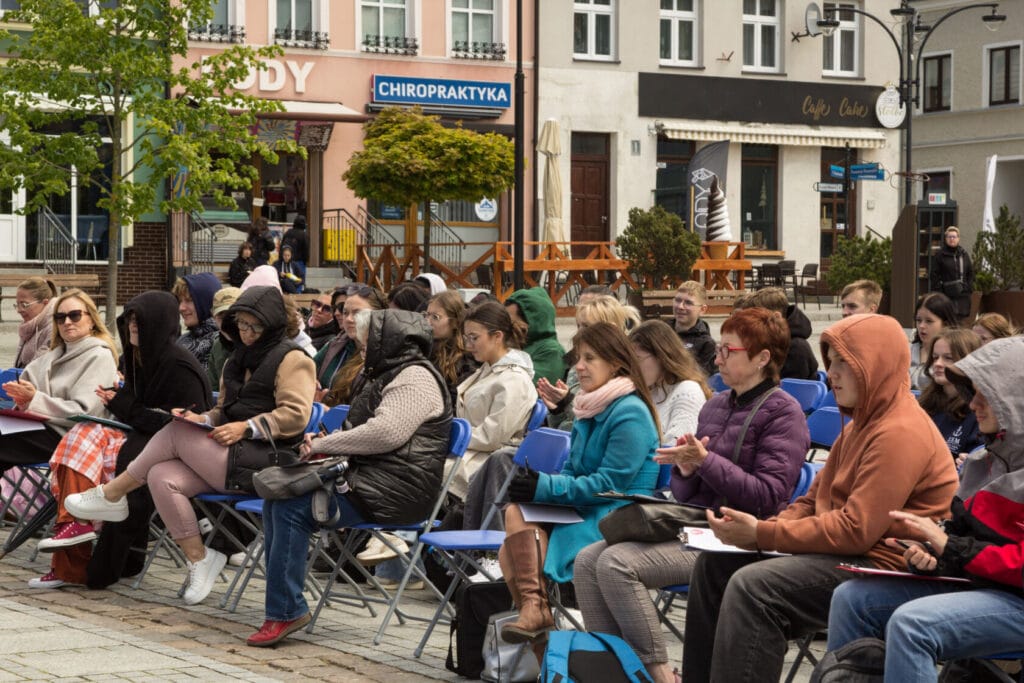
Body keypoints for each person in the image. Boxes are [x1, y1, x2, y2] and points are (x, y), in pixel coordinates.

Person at [679, 313, 960, 683]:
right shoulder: (862, 422)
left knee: (755, 588)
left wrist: (763, 535)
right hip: (846, 553)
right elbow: (813, 499)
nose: (833, 373)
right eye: (831, 361)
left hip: (886, 564)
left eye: (846, 362)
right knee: (714, 567)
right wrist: (767, 527)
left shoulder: (899, 430)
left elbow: (856, 531)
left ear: (875, 366)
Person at [575, 308, 809, 683]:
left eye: (728, 351)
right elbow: (687, 493)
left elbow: (767, 497)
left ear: (763, 358)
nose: (717, 358)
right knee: (587, 560)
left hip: (741, 536)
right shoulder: (716, 405)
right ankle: (616, 672)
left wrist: (706, 462)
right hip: (698, 524)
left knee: (617, 564)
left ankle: (659, 674)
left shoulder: (784, 413)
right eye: (718, 349)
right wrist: (687, 470)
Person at [65, 286, 316, 606]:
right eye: (241, 325)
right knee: (160, 474)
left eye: (255, 326)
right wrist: (203, 419)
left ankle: (112, 493)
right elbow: (224, 410)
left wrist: (246, 427)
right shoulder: (236, 361)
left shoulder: (294, 359)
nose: (247, 333)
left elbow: (296, 416)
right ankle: (199, 558)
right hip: (234, 457)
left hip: (271, 461)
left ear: (273, 326)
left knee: (175, 433)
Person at [245, 308, 453, 647]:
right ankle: (284, 607)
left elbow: (386, 433)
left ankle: (285, 612)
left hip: (399, 491)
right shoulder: (385, 373)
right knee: (277, 501)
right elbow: (361, 429)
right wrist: (325, 445)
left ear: (388, 342)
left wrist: (327, 443)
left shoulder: (415, 378)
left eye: (366, 342)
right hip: (373, 479)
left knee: (290, 508)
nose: (361, 348)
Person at [825, 337, 1024, 683]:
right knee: (850, 598)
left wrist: (951, 548)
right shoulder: (983, 463)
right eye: (972, 391)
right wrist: (930, 552)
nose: (972, 404)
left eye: (984, 394)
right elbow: (963, 541)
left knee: (912, 625)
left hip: (1015, 599)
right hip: (981, 586)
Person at [30, 291, 213, 590]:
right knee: (83, 438)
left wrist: (123, 405)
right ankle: (77, 527)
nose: (132, 327)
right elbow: (139, 409)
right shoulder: (138, 358)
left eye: (139, 321)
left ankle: (80, 528)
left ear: (158, 323)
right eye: (129, 320)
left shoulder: (179, 366)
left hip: (182, 453)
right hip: (142, 440)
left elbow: (180, 425)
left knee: (91, 445)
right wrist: (121, 401)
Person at [499, 321, 661, 647]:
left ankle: (541, 634)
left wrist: (544, 487)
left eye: (590, 358)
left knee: (511, 551)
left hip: (618, 511)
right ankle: (536, 611)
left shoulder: (630, 412)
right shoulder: (591, 405)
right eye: (578, 358)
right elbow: (573, 470)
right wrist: (541, 486)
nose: (579, 367)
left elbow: (609, 484)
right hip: (591, 504)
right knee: (516, 514)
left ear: (616, 363)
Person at [0, 289, 119, 482]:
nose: (67, 322)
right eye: (60, 317)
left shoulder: (99, 356)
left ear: (91, 319)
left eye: (75, 315)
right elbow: (30, 396)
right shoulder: (52, 355)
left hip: (70, 436)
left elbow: (83, 411)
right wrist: (24, 401)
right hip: (40, 428)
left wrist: (34, 400)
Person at [453, 301, 538, 500]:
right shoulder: (488, 368)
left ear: (497, 336)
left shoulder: (515, 380)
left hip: (488, 462)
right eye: (466, 338)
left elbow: (493, 436)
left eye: (474, 338)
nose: (468, 345)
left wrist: (451, 436)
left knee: (421, 472)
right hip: (471, 454)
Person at [538, 295, 641, 433]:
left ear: (609, 330)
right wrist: (558, 409)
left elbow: (595, 425)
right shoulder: (577, 367)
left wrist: (568, 402)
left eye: (586, 326)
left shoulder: (625, 384)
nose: (579, 332)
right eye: (578, 325)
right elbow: (567, 429)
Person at [629, 319, 712, 444]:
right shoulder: (647, 388)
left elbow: (674, 452)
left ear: (661, 356)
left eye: (637, 359)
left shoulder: (688, 391)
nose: (632, 367)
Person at [918, 328, 983, 467]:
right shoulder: (921, 403)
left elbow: (980, 458)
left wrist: (969, 461)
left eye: (948, 358)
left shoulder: (980, 409)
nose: (938, 364)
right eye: (935, 357)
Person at [313, 285, 386, 401]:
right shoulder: (335, 344)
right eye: (345, 313)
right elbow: (309, 369)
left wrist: (326, 401)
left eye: (358, 313)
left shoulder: (386, 353)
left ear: (379, 315)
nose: (348, 319)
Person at [734, 287, 819, 380]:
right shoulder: (765, 340)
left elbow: (789, 389)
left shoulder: (797, 348)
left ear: (776, 317)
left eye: (756, 318)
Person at [424, 290, 478, 404]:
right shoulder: (423, 347)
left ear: (455, 322)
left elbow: (457, 400)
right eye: (426, 315)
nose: (428, 322)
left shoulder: (467, 357)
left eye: (435, 317)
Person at [505, 287, 567, 386]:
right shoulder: (519, 344)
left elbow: (526, 387)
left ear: (531, 321)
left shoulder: (552, 351)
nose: (505, 327)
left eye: (511, 322)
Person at [173, 272, 222, 373]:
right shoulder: (184, 339)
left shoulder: (222, 343)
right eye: (180, 301)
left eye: (189, 300)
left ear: (207, 301)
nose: (181, 308)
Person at [910, 292, 960, 391]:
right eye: (918, 320)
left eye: (929, 321)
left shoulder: (956, 355)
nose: (921, 326)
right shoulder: (906, 351)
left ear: (945, 324)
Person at [671, 281, 717, 376]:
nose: (680, 306)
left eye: (688, 303)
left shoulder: (706, 343)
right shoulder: (661, 330)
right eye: (678, 300)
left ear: (702, 309)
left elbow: (700, 378)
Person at [13, 276, 58, 369]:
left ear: (45, 303)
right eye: (17, 304)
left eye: (24, 304)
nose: (19, 310)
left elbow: (37, 369)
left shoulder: (55, 327)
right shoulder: (30, 325)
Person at [930, 225, 974, 320]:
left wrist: (968, 288)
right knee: (948, 321)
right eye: (949, 237)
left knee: (960, 323)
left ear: (958, 239)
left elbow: (970, 273)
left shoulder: (964, 254)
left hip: (962, 296)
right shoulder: (940, 255)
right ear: (946, 239)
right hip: (946, 296)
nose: (952, 239)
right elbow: (934, 275)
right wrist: (940, 291)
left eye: (954, 237)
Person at [206, 287, 241, 392]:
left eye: (233, 316)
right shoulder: (217, 346)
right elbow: (213, 388)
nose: (227, 323)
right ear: (214, 318)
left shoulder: (254, 344)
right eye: (222, 317)